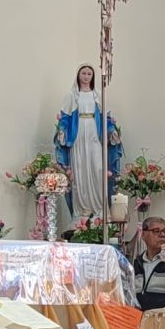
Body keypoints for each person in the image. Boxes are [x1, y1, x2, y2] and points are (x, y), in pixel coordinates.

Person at [54, 63, 123, 219]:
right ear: (78, 75)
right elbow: (65, 118)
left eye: (89, 74)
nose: (86, 76)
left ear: (93, 77)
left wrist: (111, 131)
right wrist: (62, 130)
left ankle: (100, 208)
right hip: (78, 136)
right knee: (80, 170)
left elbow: (106, 117)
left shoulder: (98, 95)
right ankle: (82, 209)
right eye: (83, 73)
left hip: (94, 134)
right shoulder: (72, 95)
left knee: (98, 168)